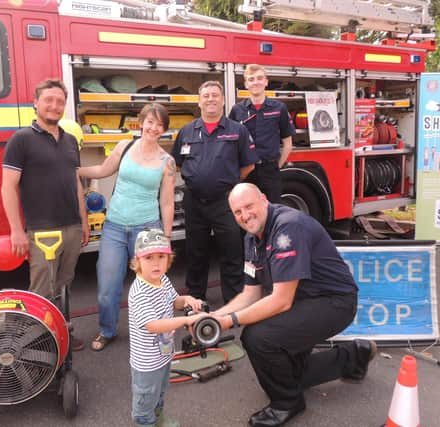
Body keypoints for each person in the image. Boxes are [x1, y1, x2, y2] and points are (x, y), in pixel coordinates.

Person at [211, 183, 377, 427]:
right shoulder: (251, 238)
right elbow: (250, 294)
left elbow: (280, 300)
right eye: (237, 212)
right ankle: (353, 357)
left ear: (264, 200)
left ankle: (286, 403)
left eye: (249, 206)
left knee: (258, 338)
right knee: (289, 372)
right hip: (305, 300)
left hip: (334, 302)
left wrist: (230, 321)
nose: (245, 216)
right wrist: (214, 317)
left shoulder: (287, 227)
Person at [79, 103, 176, 352]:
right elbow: (102, 170)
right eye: (150, 122)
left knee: (152, 282)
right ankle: (107, 331)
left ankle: (156, 329)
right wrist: (75, 170)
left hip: (147, 228)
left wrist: (165, 236)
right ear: (141, 122)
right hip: (114, 227)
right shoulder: (125, 146)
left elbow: (166, 202)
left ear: (164, 129)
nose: (153, 128)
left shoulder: (167, 162)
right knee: (108, 285)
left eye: (159, 124)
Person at [1, 78, 89, 351]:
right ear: (36, 103)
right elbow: (7, 186)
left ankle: (62, 333)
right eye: (48, 100)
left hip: (72, 227)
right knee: (41, 290)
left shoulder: (70, 141)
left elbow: (75, 183)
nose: (54, 106)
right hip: (41, 230)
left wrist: (83, 222)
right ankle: (36, 343)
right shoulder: (21, 139)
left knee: (64, 286)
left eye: (60, 102)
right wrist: (17, 230)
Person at [172, 81, 257, 303]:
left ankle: (233, 299)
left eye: (215, 95)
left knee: (231, 251)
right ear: (199, 101)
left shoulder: (237, 130)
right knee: (195, 252)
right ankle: (195, 298)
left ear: (222, 100)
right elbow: (177, 163)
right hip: (195, 202)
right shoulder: (187, 131)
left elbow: (248, 165)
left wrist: (226, 184)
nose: (211, 99)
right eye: (206, 95)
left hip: (225, 202)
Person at [128, 229, 203, 427]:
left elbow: (174, 302)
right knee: (145, 401)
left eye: (161, 257)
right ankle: (147, 422)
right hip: (146, 364)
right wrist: (185, 321)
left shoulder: (162, 281)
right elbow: (153, 325)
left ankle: (159, 419)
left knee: (159, 393)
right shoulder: (139, 292)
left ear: (168, 259)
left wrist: (186, 299)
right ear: (138, 261)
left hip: (163, 354)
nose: (156, 263)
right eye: (149, 258)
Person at [229, 64, 295, 203]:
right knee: (247, 211)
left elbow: (288, 144)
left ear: (266, 81)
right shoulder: (237, 110)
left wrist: (276, 166)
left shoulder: (279, 108)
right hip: (246, 172)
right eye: (251, 79)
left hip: (270, 171)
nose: (256, 82)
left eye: (259, 78)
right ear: (246, 84)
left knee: (272, 212)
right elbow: (230, 143)